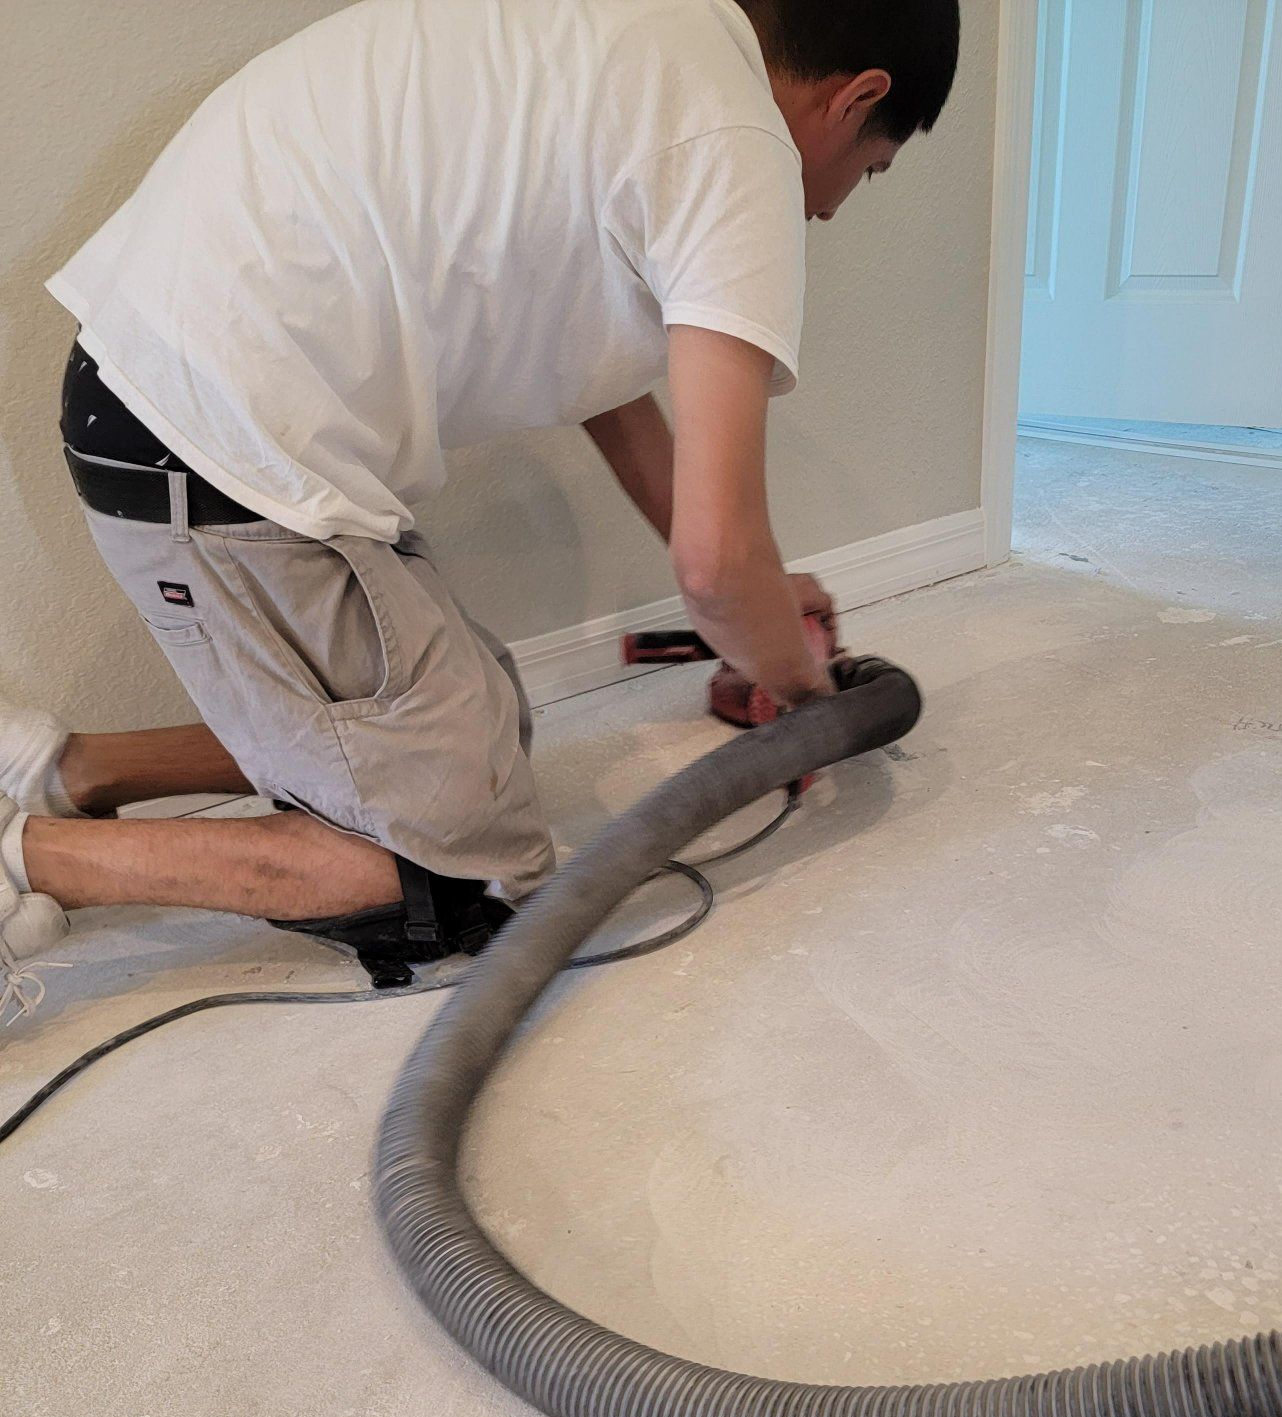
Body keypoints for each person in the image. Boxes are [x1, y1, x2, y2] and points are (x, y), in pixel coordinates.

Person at [0, 0, 961, 1022]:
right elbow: (716, 563)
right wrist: (798, 681)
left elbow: (613, 398)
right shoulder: (737, 143)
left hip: (186, 401)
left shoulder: (638, 44)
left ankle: (65, 771)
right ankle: (33, 856)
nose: (834, 208)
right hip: (213, 441)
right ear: (857, 97)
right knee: (451, 868)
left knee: (487, 725)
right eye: (871, 169)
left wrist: (757, 608)